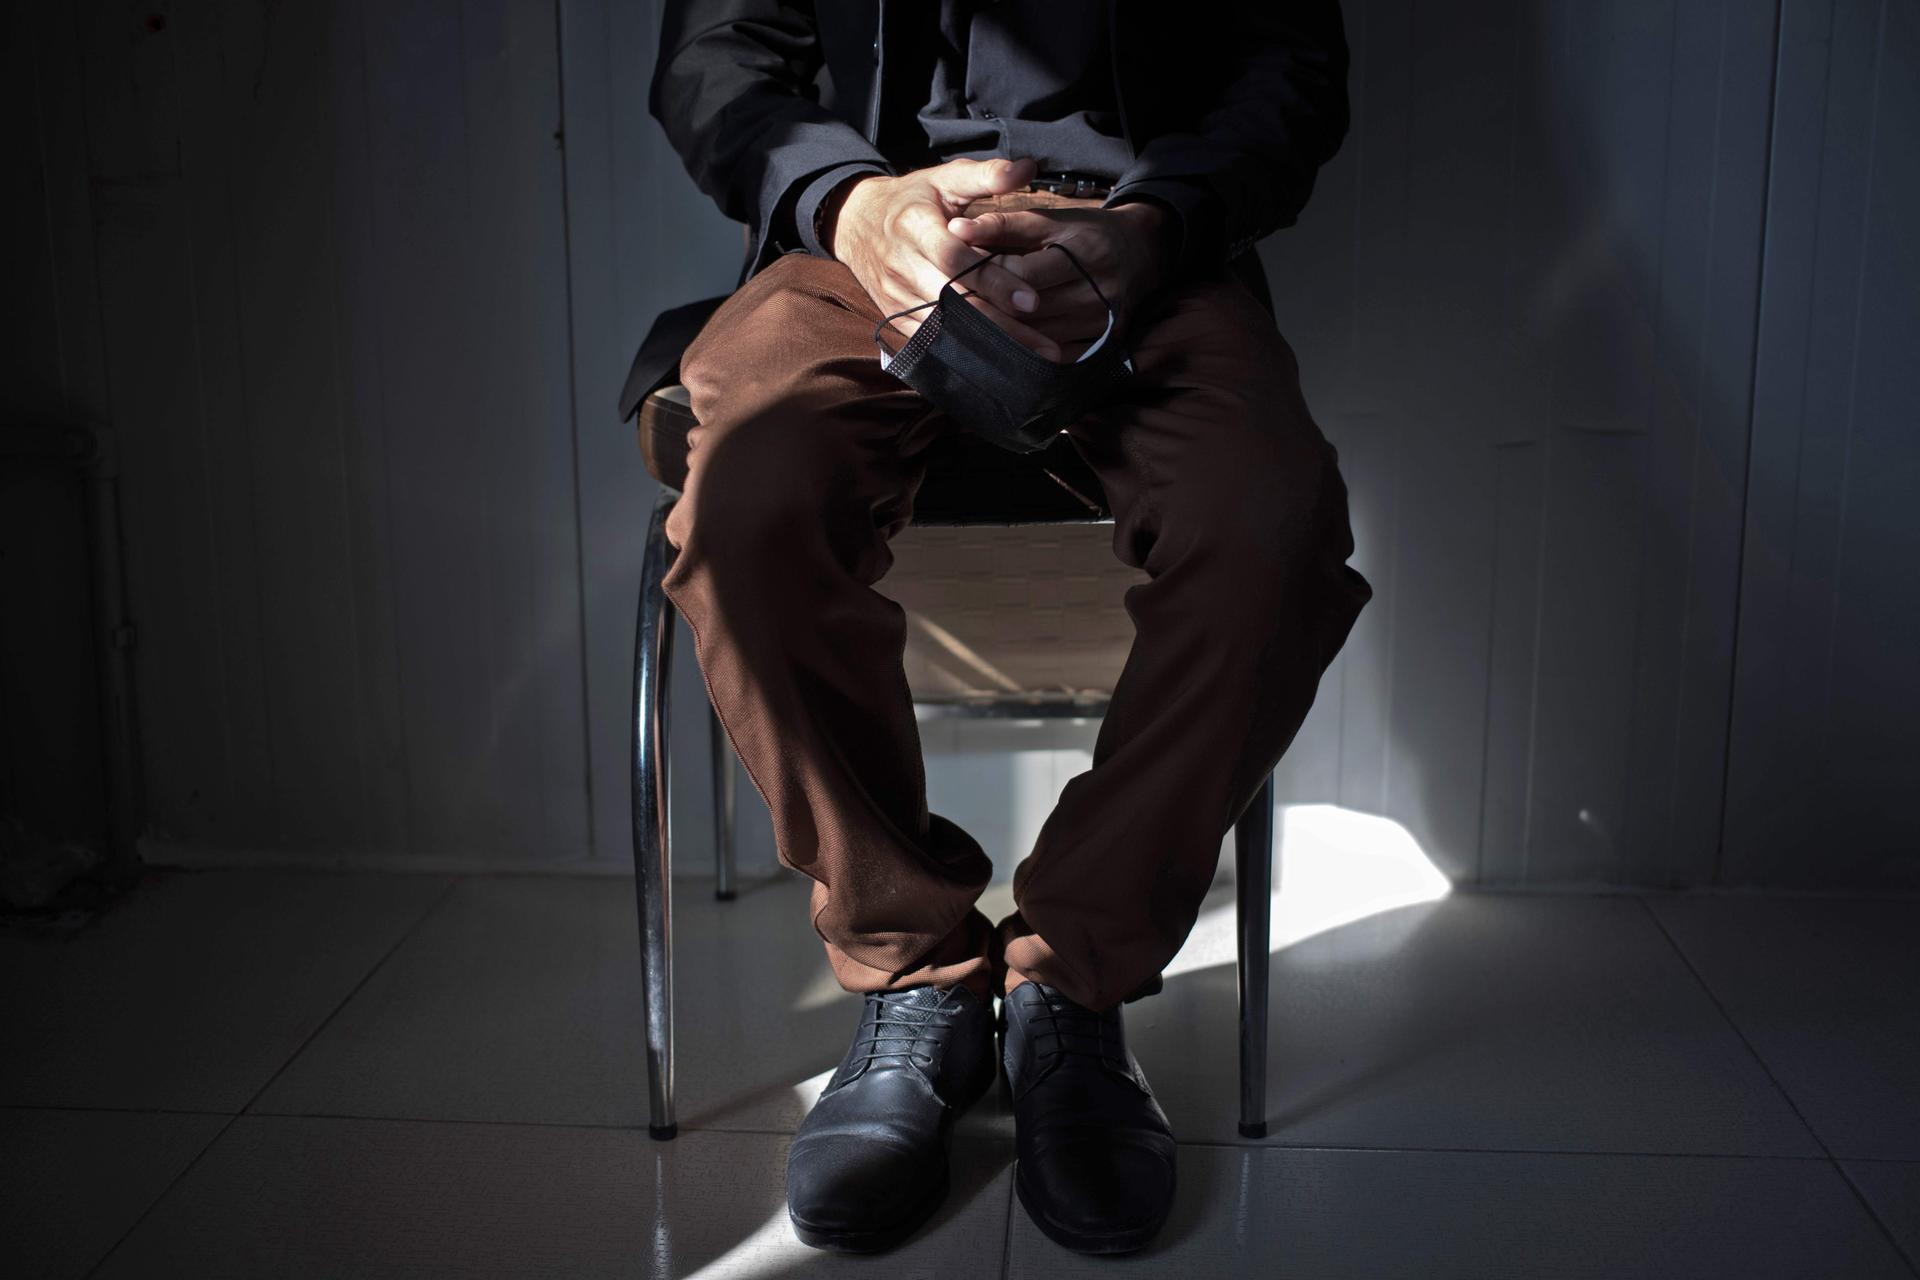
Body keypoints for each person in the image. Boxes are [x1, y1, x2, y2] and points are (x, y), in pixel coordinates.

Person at [644, 0, 1370, 1256]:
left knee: (1272, 530)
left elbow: (1290, 65)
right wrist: (846, 201)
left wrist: (1154, 224)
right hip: (864, 236)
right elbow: (715, 58)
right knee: (748, 509)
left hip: (1148, 244)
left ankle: (1069, 979)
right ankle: (919, 968)